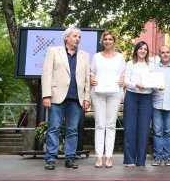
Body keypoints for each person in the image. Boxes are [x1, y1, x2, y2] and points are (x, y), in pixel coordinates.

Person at [42, 27, 90, 170]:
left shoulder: (85, 55)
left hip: (76, 99)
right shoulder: (53, 51)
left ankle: (70, 158)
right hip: (57, 97)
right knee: (53, 128)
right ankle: (50, 159)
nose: (78, 39)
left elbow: (87, 77)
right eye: (75, 36)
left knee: (72, 130)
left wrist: (87, 98)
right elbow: (46, 74)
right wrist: (46, 95)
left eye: (79, 37)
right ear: (66, 37)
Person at [90, 31, 125, 168]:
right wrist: (92, 79)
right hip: (98, 93)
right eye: (106, 39)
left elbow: (123, 74)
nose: (108, 41)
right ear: (102, 41)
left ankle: (109, 157)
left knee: (110, 125)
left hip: (114, 93)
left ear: (114, 41)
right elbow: (92, 73)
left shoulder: (120, 57)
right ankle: (99, 157)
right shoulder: (96, 57)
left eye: (110, 39)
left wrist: (122, 80)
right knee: (99, 125)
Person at [123, 41, 153, 167]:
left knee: (144, 130)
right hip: (132, 96)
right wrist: (135, 85)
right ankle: (129, 160)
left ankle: (141, 161)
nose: (142, 51)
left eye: (145, 49)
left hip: (146, 98)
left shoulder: (152, 65)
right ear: (136, 50)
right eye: (140, 49)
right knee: (130, 129)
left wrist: (159, 86)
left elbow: (154, 80)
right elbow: (126, 80)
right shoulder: (130, 64)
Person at [151, 45, 170, 166]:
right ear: (159, 54)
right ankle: (157, 157)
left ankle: (167, 157)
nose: (165, 54)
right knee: (158, 132)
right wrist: (153, 85)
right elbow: (149, 84)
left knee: (168, 132)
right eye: (163, 52)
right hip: (157, 104)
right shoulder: (153, 69)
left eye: (167, 52)